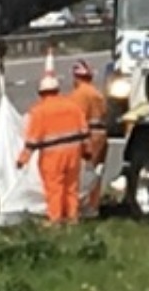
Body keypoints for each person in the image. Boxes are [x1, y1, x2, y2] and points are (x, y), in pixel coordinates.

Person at [16, 75, 91, 225]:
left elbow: (33, 139)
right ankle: (72, 216)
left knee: (54, 187)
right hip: (73, 152)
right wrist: (87, 151)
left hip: (52, 155)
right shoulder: (72, 106)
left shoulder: (39, 111)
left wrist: (23, 159)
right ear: (57, 90)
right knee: (71, 186)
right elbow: (84, 131)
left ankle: (55, 218)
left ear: (41, 93)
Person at [67, 59, 108, 215]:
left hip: (88, 135)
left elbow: (77, 118)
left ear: (76, 77)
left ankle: (79, 205)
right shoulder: (97, 93)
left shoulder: (79, 95)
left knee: (82, 172)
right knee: (96, 173)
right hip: (101, 134)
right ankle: (93, 205)